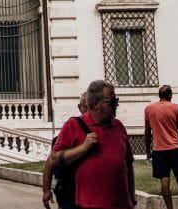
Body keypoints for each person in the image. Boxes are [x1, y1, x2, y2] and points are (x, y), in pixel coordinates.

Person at [51, 80, 135, 209]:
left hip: (121, 204)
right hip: (89, 204)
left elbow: (128, 165)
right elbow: (54, 159)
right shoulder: (73, 125)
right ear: (96, 104)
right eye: (112, 102)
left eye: (116, 101)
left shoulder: (119, 126)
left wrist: (132, 198)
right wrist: (83, 148)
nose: (116, 106)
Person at [144, 85, 178, 209]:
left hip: (159, 149)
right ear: (170, 95)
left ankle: (170, 208)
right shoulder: (175, 107)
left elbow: (147, 133)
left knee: (164, 182)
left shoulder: (149, 109)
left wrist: (148, 152)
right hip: (175, 147)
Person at [42, 94, 89, 209]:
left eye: (91, 107)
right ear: (79, 107)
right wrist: (46, 191)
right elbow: (50, 163)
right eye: (85, 107)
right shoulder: (72, 127)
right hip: (70, 192)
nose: (88, 112)